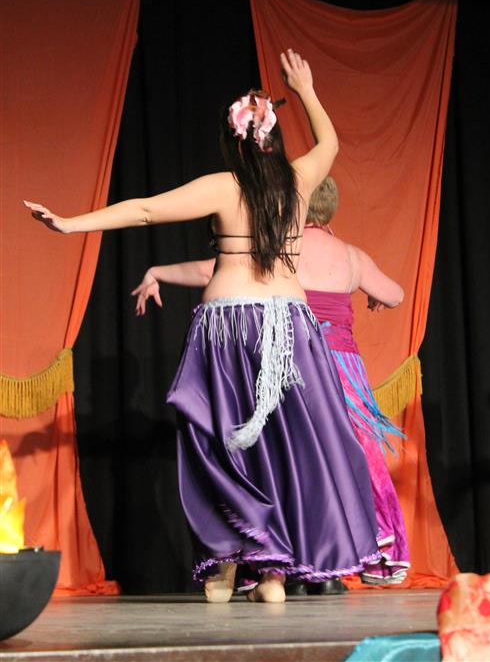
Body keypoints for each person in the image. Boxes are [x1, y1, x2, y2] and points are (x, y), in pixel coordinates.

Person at [24, 50, 382, 604]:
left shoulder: (224, 186)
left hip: (228, 327)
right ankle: (273, 574)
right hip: (289, 325)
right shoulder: (298, 180)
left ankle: (227, 567)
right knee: (283, 446)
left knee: (223, 442)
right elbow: (330, 144)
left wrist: (71, 225)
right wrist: (306, 89)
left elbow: (145, 210)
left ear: (232, 143)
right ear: (272, 139)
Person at [133, 178, 410, 587]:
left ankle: (272, 563)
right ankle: (343, 559)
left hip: (293, 359)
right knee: (342, 457)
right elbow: (396, 294)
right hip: (342, 367)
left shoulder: (277, 248)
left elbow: (211, 270)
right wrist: (372, 293)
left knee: (282, 460)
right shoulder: (352, 256)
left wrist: (158, 271)